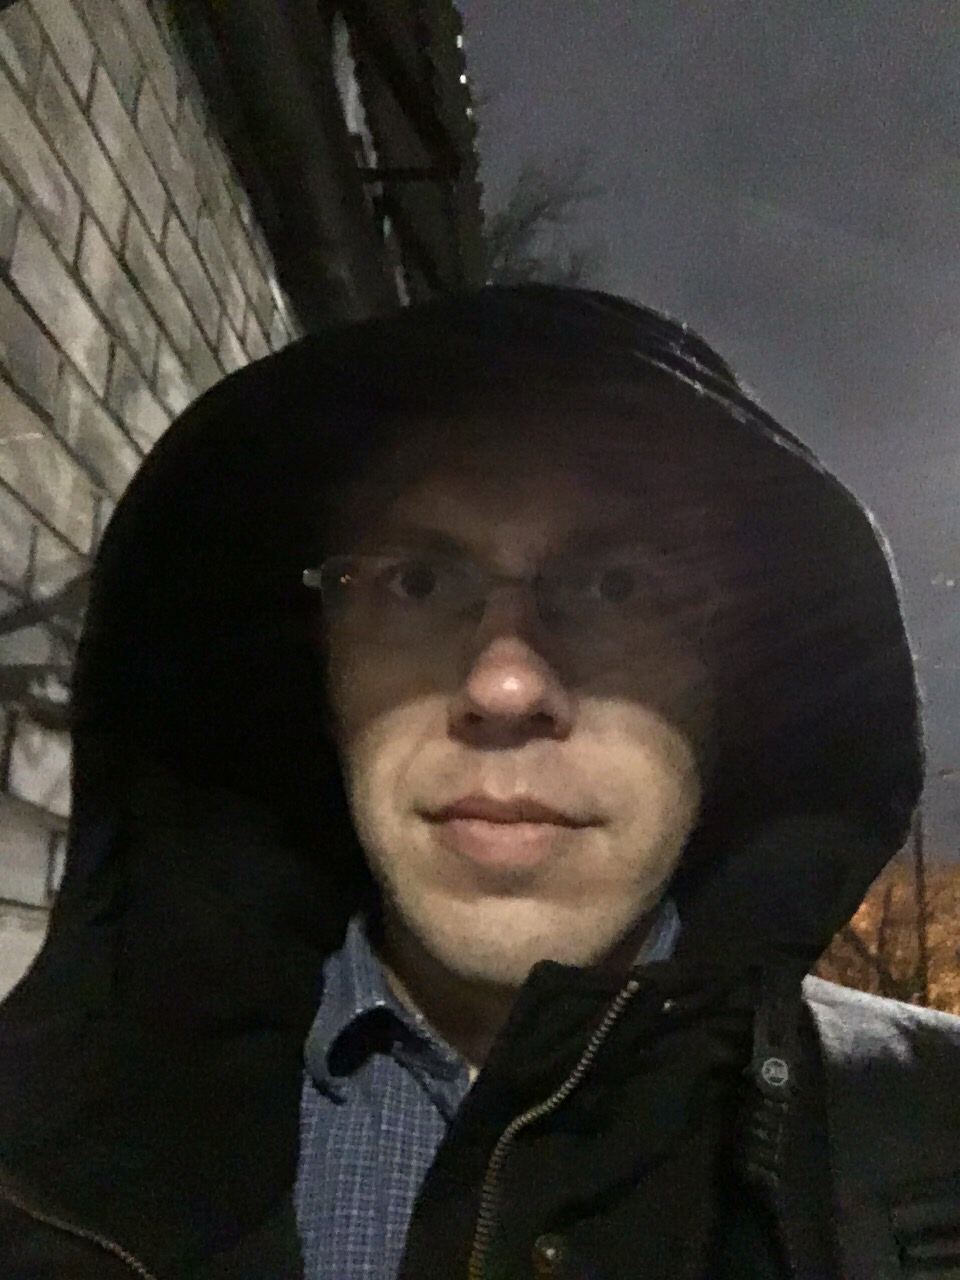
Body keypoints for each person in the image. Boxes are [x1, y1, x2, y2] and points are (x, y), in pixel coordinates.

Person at [0, 286, 957, 1280]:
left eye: (617, 585)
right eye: (416, 581)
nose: (506, 685)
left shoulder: (931, 1137)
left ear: (737, 687)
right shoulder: (39, 1141)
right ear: (318, 665)